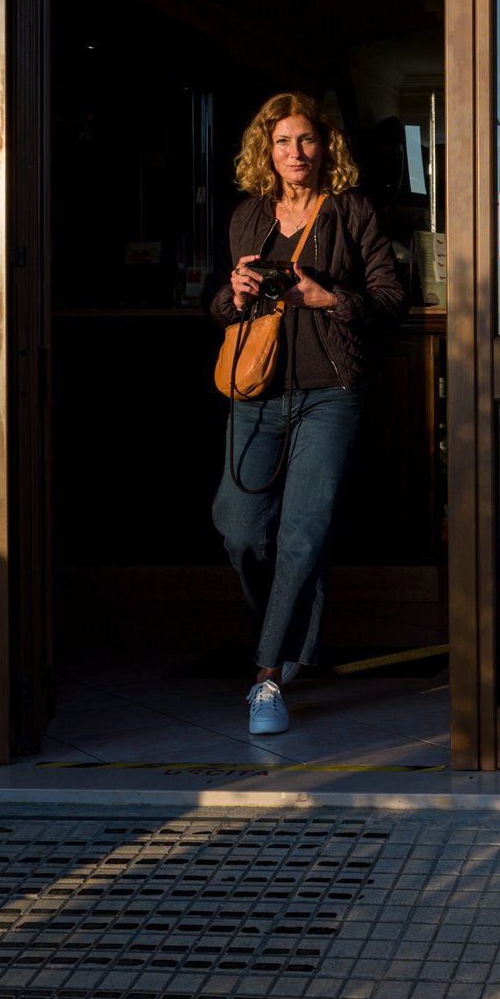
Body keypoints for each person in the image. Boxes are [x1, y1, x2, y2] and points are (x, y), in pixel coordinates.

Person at [207, 91, 404, 737]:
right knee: (237, 525)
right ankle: (290, 629)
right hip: (258, 389)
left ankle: (266, 677)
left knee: (303, 530)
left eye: (307, 140)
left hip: (331, 393)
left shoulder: (352, 213)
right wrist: (231, 296)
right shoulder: (247, 218)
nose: (296, 152)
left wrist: (327, 296)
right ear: (267, 151)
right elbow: (222, 309)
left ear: (326, 147)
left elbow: (389, 300)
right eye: (283, 141)